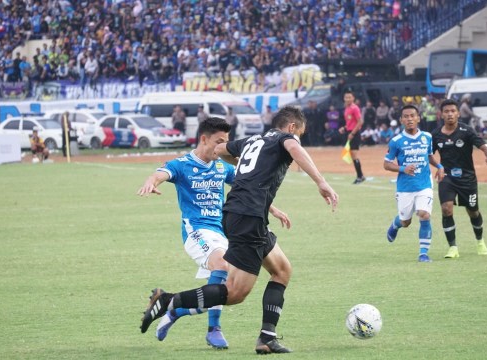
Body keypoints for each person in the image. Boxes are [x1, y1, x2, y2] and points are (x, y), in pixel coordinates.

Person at [139, 106, 339, 354]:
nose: (298, 138)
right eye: (299, 133)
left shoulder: (254, 140)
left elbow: (221, 149)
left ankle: (267, 337)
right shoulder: (284, 138)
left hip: (245, 215)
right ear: (291, 128)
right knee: (235, 293)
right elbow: (295, 149)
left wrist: (251, 174)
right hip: (246, 217)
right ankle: (169, 301)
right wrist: (321, 182)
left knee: (282, 271)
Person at [137, 118, 251, 349]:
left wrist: (274, 209)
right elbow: (160, 173)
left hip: (221, 233)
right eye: (218, 142)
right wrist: (152, 182)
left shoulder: (221, 167)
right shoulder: (182, 164)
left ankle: (173, 310)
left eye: (225, 143)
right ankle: (214, 330)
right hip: (196, 231)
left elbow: (247, 189)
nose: (222, 147)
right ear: (203, 139)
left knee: (227, 290)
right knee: (221, 266)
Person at [431, 99, 487, 259]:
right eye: (446, 111)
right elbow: (428, 154)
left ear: (458, 113)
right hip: (447, 177)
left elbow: (484, 146)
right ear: (441, 114)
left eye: (453, 111)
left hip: (467, 179)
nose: (450, 114)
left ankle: (480, 241)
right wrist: (438, 167)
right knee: (446, 209)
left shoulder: (467, 131)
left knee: (473, 212)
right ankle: (453, 247)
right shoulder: (436, 135)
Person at [385, 104, 444, 262]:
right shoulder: (396, 141)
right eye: (406, 116)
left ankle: (423, 254)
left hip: (424, 184)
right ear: (401, 120)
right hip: (405, 187)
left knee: (424, 215)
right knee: (406, 221)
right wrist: (403, 168)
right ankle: (396, 224)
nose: (410, 119)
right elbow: (387, 164)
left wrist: (439, 166)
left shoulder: (427, 137)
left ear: (418, 118)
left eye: (412, 116)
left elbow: (429, 156)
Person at [339, 91, 365, 184]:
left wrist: (352, 133)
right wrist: (344, 128)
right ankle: (360, 176)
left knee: (354, 154)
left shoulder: (355, 108)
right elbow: (351, 122)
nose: (348, 99)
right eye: (346, 97)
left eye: (349, 97)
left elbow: (360, 122)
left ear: (353, 98)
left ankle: (360, 176)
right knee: (352, 154)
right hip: (350, 132)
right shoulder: (347, 108)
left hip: (355, 133)